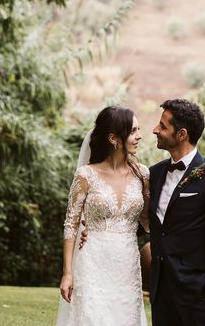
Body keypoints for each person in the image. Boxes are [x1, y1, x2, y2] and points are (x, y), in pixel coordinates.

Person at [149, 99, 205, 326]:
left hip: (197, 299)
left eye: (163, 126)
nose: (155, 130)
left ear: (181, 134)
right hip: (161, 297)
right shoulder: (154, 174)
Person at [56, 106, 149, 326]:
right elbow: (71, 224)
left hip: (127, 262)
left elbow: (147, 224)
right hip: (92, 261)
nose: (140, 136)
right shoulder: (86, 175)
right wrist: (67, 273)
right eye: (133, 131)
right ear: (113, 138)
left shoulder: (143, 174)